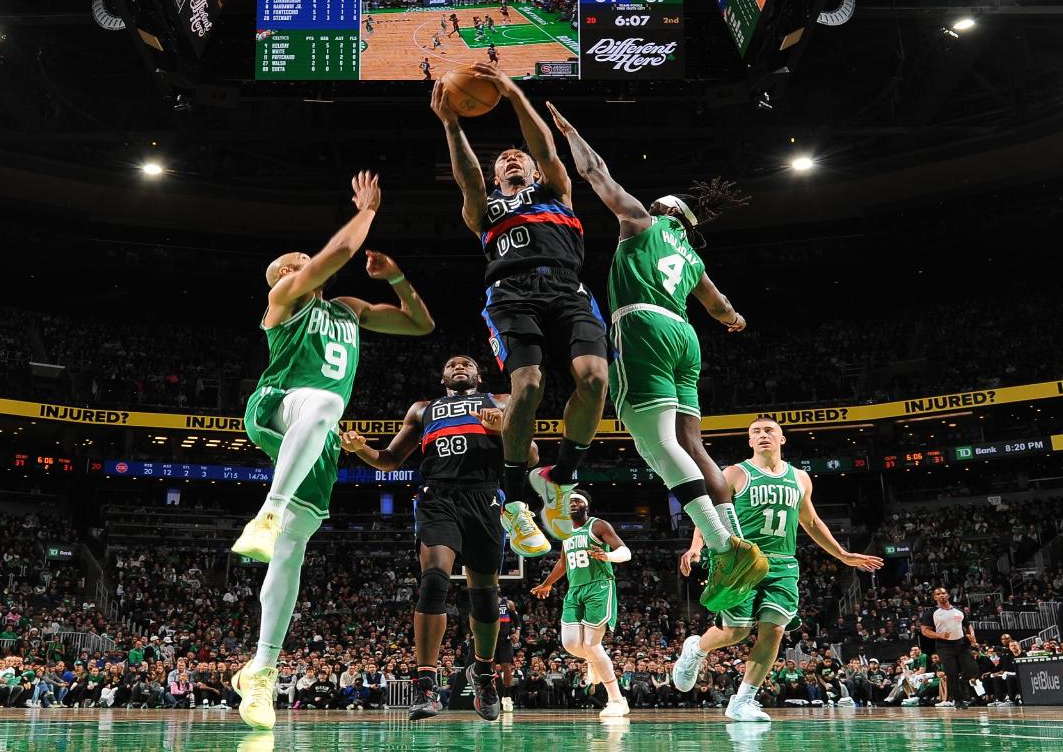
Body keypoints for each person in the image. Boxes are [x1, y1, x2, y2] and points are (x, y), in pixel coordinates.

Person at [228, 171, 436, 730]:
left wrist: (396, 278)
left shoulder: (346, 308)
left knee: (292, 552)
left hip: (315, 435)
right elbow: (339, 249)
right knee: (321, 404)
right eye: (291, 264)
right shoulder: (284, 300)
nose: (300, 265)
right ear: (281, 280)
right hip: (279, 405)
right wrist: (367, 210)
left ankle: (261, 672)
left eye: (302, 261)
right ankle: (267, 512)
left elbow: (420, 324)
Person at [546, 104, 765, 609]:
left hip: (643, 325)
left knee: (656, 442)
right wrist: (734, 322)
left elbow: (596, 173)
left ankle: (723, 546)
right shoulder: (694, 258)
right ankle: (737, 543)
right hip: (684, 336)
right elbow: (720, 306)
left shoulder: (642, 222)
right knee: (692, 444)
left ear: (664, 211)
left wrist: (572, 132)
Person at [430, 62, 609, 554]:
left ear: (531, 168)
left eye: (518, 157)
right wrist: (452, 124)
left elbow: (547, 149)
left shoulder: (555, 190)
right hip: (511, 295)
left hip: (567, 289)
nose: (512, 159)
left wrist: (511, 93)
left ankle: (561, 477)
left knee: (595, 380)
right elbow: (468, 179)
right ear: (496, 174)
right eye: (503, 159)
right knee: (527, 387)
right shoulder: (486, 209)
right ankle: (511, 502)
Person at [340, 354, 525, 721]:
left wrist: (501, 427)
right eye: (452, 364)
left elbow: (530, 454)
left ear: (478, 374)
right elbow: (390, 459)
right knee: (433, 580)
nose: (459, 366)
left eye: (467, 363)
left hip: (485, 497)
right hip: (438, 496)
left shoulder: (502, 402)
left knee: (486, 597)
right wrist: (361, 449)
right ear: (442, 375)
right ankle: (426, 683)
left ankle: (485, 674)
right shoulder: (423, 409)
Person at [671, 418, 881, 722]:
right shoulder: (735, 473)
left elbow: (810, 521)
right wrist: (696, 546)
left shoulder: (800, 478)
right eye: (755, 432)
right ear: (750, 441)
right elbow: (710, 514)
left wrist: (842, 554)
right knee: (736, 631)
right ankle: (696, 648)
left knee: (776, 629)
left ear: (782, 439)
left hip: (782, 562)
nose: (762, 435)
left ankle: (742, 700)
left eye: (769, 431)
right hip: (741, 560)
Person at [529, 492, 631, 718]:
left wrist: (608, 557)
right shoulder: (565, 532)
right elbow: (563, 563)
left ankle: (616, 700)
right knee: (571, 643)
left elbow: (625, 552)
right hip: (575, 590)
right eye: (570, 502)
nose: (573, 504)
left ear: (586, 505)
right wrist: (546, 584)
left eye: (577, 501)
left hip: (599, 586)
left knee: (593, 644)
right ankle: (592, 662)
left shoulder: (599, 526)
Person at [920, 588, 977, 707]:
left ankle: (962, 682)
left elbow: (968, 625)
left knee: (972, 670)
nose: (941, 595)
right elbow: (924, 630)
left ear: (948, 595)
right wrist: (938, 634)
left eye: (943, 593)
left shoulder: (959, 610)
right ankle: (958, 700)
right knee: (951, 673)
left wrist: (972, 637)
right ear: (935, 597)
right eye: (938, 594)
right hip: (944, 646)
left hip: (962, 643)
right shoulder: (932, 613)